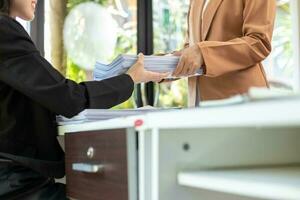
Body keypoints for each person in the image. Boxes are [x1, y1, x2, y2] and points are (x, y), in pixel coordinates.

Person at [0, 0, 168, 199]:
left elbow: (45, 96)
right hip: (14, 183)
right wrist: (130, 79)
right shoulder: (5, 30)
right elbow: (67, 97)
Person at [172, 0, 276, 106]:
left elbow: (259, 42)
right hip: (198, 102)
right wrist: (161, 66)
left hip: (240, 101)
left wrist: (203, 53)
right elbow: (191, 48)